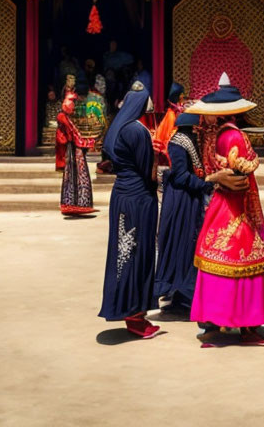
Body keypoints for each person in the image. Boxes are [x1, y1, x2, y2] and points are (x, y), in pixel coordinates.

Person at [185, 74, 264, 346]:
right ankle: (247, 326)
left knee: (217, 257)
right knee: (245, 257)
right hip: (239, 205)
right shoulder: (234, 135)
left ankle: (216, 321)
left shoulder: (216, 135)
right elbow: (242, 166)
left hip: (221, 202)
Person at [98, 83, 161, 338]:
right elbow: (149, 172)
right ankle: (136, 316)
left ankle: (126, 308)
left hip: (122, 194)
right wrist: (157, 159)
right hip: (138, 199)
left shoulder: (118, 128)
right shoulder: (138, 131)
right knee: (139, 253)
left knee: (123, 252)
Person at [155, 111, 213, 314]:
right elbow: (180, 176)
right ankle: (181, 290)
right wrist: (205, 184)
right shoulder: (179, 143)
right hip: (181, 200)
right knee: (183, 242)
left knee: (188, 244)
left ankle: (182, 294)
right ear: (191, 128)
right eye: (196, 129)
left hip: (188, 198)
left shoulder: (186, 140)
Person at [56, 91, 96, 216]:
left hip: (74, 148)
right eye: (72, 102)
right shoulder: (62, 117)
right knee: (73, 176)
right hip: (71, 149)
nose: (74, 105)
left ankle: (77, 203)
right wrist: (85, 143)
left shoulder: (66, 117)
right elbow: (72, 135)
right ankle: (74, 203)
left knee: (76, 176)